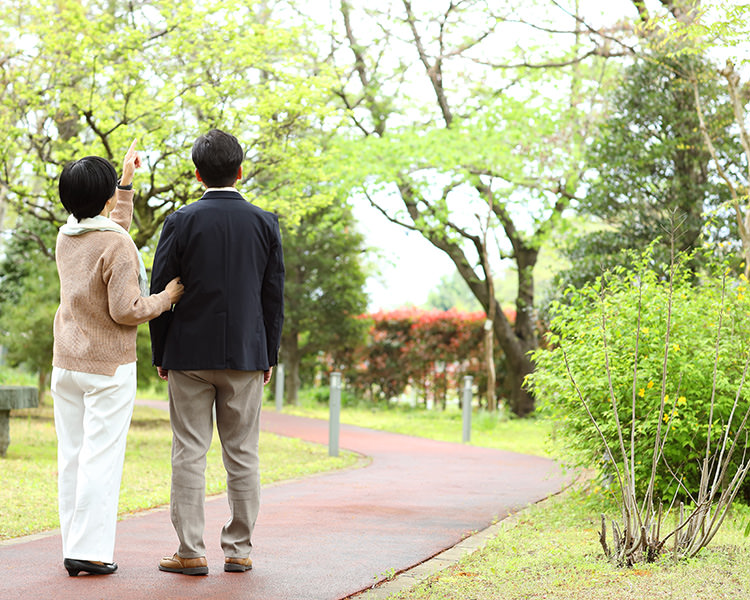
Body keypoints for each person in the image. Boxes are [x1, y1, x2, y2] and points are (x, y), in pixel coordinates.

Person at [149, 129, 284, 576]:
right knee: (243, 452)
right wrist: (269, 353)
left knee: (188, 450)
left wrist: (161, 351)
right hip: (247, 354)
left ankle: (190, 551)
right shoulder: (265, 223)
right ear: (241, 171)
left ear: (196, 173)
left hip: (188, 352)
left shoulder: (180, 221)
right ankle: (239, 549)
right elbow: (273, 295)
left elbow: (162, 288)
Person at [52, 140, 184, 577]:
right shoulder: (116, 246)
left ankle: (75, 544)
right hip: (107, 367)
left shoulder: (68, 234)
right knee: (100, 458)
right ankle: (89, 551)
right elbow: (127, 309)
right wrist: (165, 298)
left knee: (72, 456)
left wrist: (123, 183)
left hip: (66, 362)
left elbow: (113, 230)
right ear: (104, 197)